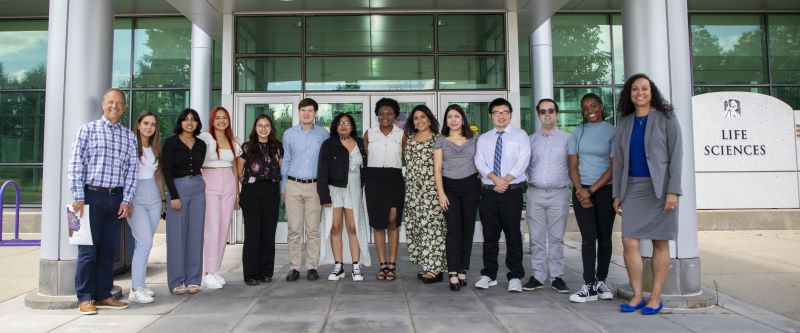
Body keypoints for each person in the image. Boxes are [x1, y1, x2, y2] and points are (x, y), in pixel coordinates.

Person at [613, 73, 683, 315]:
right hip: (632, 187)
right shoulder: (625, 124)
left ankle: (655, 297)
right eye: (635, 89)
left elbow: (676, 156)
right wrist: (617, 194)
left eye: (644, 88)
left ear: (652, 92)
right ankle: (636, 295)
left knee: (659, 241)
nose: (639, 93)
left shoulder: (666, 118)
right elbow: (619, 163)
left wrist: (673, 191)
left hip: (660, 190)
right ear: (629, 95)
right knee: (629, 241)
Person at [68, 88, 138, 314]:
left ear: (124, 107)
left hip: (116, 198)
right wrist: (78, 195)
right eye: (111, 102)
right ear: (103, 104)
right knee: (88, 250)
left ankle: (104, 294)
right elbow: (76, 164)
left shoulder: (129, 136)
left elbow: (132, 171)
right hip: (90, 196)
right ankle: (86, 297)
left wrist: (126, 200)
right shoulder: (87, 130)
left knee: (108, 249)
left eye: (119, 103)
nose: (115, 106)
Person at [473, 98, 531, 293]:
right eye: (497, 113)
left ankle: (515, 276)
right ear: (491, 116)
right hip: (489, 193)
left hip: (512, 192)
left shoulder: (520, 135)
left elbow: (523, 161)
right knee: (490, 236)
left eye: (505, 112)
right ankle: (489, 274)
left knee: (513, 235)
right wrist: (495, 179)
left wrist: (505, 180)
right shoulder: (484, 138)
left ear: (511, 114)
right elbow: (480, 162)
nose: (501, 116)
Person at [568, 93, 617, 303]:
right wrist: (581, 191)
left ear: (602, 106)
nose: (590, 110)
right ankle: (588, 285)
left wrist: (592, 190)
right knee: (588, 238)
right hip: (581, 191)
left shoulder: (613, 132)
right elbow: (572, 165)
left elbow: (614, 167)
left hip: (605, 190)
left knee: (604, 238)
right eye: (586, 107)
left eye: (594, 105)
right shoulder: (578, 132)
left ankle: (600, 280)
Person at [522, 99, 570, 295]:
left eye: (551, 111)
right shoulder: (530, 140)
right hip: (535, 193)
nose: (547, 114)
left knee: (557, 238)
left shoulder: (568, 139)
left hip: (559, 193)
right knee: (537, 238)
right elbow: (523, 165)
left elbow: (575, 165)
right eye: (543, 112)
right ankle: (537, 276)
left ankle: (557, 276)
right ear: (539, 115)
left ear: (556, 114)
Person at [317, 113, 371, 282]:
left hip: (354, 190)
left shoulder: (360, 144)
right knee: (335, 227)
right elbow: (322, 171)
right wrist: (324, 196)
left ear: (352, 126)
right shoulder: (328, 145)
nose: (344, 125)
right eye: (340, 123)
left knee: (353, 227)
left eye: (347, 123)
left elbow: (365, 169)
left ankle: (356, 266)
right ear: (335, 126)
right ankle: (338, 266)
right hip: (334, 190)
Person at [433, 104, 480, 291]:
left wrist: (481, 175)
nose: (453, 120)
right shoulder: (441, 140)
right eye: (449, 117)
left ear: (463, 119)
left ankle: (462, 269)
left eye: (456, 116)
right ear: (446, 121)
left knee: (467, 229)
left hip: (471, 186)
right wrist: (441, 193)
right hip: (449, 187)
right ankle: (452, 271)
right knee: (453, 229)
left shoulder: (474, 139)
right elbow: (437, 168)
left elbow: (482, 161)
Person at [282, 98, 329, 281]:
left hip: (314, 187)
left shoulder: (323, 135)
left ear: (315, 113)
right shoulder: (289, 134)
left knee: (313, 229)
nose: (306, 113)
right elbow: (286, 161)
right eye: (303, 110)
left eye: (310, 110)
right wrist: (282, 187)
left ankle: (312, 266)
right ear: (299, 112)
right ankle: (294, 267)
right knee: (294, 229)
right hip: (293, 185)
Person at [162, 108, 207, 295]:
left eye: (193, 120)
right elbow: (166, 170)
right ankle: (176, 281)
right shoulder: (171, 143)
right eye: (186, 119)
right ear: (180, 122)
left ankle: (193, 279)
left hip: (197, 188)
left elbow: (198, 166)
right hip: (178, 189)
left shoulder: (201, 144)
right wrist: (173, 195)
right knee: (176, 237)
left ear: (197, 123)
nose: (190, 122)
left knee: (196, 235)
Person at [198, 107, 241, 289]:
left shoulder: (233, 140)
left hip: (229, 184)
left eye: (225, 118)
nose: (222, 121)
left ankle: (215, 269)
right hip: (210, 182)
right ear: (212, 119)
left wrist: (237, 191)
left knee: (224, 228)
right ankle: (207, 272)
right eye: (218, 117)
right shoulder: (205, 138)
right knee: (212, 228)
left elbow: (234, 166)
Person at [364, 98, 407, 281]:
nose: (385, 117)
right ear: (377, 116)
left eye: (389, 113)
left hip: (395, 179)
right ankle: (382, 265)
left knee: (392, 221)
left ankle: (392, 264)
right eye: (381, 113)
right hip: (374, 180)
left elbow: (406, 156)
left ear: (395, 116)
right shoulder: (369, 134)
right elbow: (367, 154)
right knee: (378, 223)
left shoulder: (402, 134)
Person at [238, 114, 283, 286]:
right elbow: (239, 168)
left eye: (267, 125)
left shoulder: (277, 147)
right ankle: (251, 274)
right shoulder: (247, 147)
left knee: (268, 232)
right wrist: (240, 188)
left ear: (271, 128)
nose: (263, 128)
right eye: (260, 125)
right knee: (252, 232)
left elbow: (281, 168)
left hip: (271, 190)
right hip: (251, 191)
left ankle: (265, 272)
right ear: (255, 128)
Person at [404, 105, 447, 284]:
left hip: (431, 190)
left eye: (423, 117)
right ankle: (427, 266)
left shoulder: (438, 139)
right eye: (416, 118)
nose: (419, 121)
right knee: (419, 229)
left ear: (430, 119)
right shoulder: (410, 139)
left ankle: (435, 269)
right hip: (414, 192)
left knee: (433, 230)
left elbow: (441, 167)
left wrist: (441, 193)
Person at [127, 111, 166, 304]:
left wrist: (162, 198)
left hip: (154, 197)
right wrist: (126, 201)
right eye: (146, 123)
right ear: (138, 125)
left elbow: (158, 174)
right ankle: (135, 289)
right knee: (143, 242)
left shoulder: (155, 148)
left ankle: (141, 283)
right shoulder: (130, 146)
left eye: (153, 124)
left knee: (145, 242)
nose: (149, 127)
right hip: (136, 196)